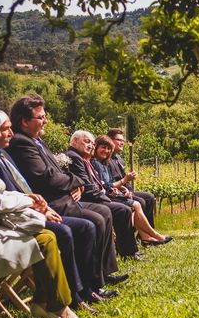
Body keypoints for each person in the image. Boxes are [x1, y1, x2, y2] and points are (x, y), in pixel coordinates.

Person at [0, 100, 89, 318]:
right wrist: (26, 200)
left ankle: (48, 304)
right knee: (45, 239)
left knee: (46, 236)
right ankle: (58, 307)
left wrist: (27, 200)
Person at [7, 94, 126, 300]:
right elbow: (47, 178)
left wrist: (74, 182)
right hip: (53, 202)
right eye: (41, 117)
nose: (46, 121)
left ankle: (99, 277)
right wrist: (77, 182)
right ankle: (88, 286)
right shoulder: (21, 143)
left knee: (104, 212)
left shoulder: (37, 141)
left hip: (63, 198)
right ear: (24, 121)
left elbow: (56, 172)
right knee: (95, 219)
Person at [0, 111, 100, 313]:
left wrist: (42, 205)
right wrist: (36, 207)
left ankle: (86, 288)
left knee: (87, 225)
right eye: (4, 129)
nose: (10, 133)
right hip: (10, 219)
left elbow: (24, 185)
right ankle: (71, 297)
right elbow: (4, 196)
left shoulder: (3, 154)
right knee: (66, 230)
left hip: (33, 208)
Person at [66, 130, 141, 260]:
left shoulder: (86, 159)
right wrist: (107, 197)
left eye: (92, 143)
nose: (91, 146)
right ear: (74, 141)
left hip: (98, 195)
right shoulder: (76, 157)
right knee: (122, 209)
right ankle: (128, 251)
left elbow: (97, 184)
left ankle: (131, 249)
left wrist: (118, 190)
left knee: (132, 204)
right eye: (87, 141)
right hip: (88, 200)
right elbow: (88, 187)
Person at [92, 135, 172, 246]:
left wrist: (122, 188)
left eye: (108, 148)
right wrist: (124, 181)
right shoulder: (96, 163)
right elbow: (105, 185)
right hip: (106, 196)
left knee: (144, 200)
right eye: (103, 147)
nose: (106, 151)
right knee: (137, 204)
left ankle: (145, 236)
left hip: (112, 192)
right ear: (95, 147)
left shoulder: (104, 162)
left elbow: (109, 182)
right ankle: (152, 235)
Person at [106, 128, 157, 229]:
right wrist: (125, 183)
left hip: (125, 190)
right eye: (119, 140)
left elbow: (123, 176)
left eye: (123, 141)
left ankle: (147, 233)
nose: (122, 143)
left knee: (150, 197)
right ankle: (140, 233)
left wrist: (129, 182)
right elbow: (110, 182)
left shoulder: (118, 158)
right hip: (115, 192)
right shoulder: (106, 158)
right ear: (110, 140)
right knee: (141, 201)